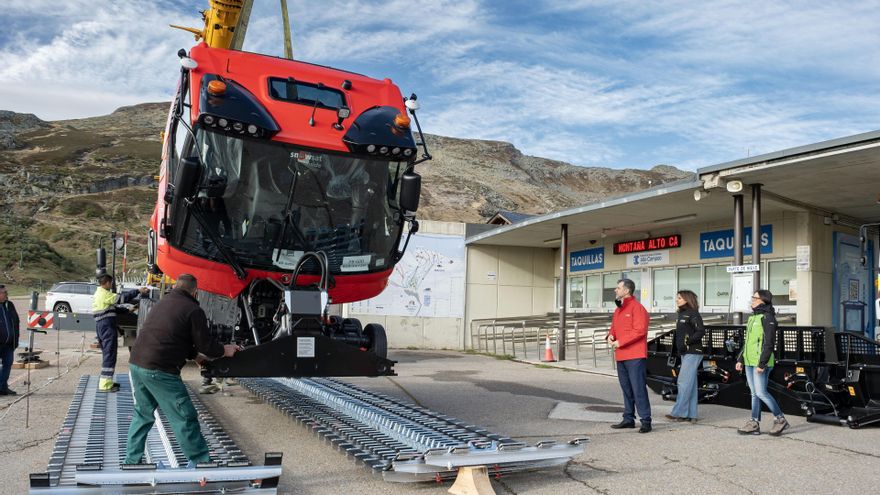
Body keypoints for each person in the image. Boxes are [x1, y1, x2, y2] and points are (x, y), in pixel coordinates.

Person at [125, 274, 239, 466]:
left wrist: (195, 357)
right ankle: (201, 462)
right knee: (184, 416)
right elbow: (207, 344)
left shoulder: (164, 302)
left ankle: (131, 461)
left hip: (137, 363)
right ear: (195, 291)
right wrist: (225, 350)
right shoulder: (193, 309)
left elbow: (175, 334)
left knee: (142, 414)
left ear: (177, 286)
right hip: (159, 369)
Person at [736, 289, 789, 436]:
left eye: (754, 298)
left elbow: (769, 343)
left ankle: (780, 419)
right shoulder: (754, 317)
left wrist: (762, 364)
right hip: (749, 361)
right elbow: (747, 342)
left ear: (763, 300)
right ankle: (754, 423)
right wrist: (740, 359)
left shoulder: (768, 318)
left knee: (761, 392)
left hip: (761, 362)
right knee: (754, 393)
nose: (751, 300)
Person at [607, 278, 652, 433]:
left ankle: (646, 421)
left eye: (618, 287)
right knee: (626, 388)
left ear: (626, 290)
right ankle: (628, 419)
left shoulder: (637, 308)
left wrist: (621, 342)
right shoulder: (618, 309)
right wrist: (610, 336)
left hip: (635, 356)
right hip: (621, 356)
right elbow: (614, 327)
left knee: (638, 389)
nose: (615, 290)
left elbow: (640, 331)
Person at [93, 274, 147, 392]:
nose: (112, 285)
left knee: (108, 354)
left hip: (103, 326)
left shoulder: (100, 294)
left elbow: (113, 308)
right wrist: (138, 290)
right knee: (110, 354)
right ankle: (105, 385)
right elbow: (121, 299)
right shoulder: (104, 294)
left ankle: (107, 381)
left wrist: (128, 309)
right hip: (106, 326)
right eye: (111, 283)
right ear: (107, 283)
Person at [665, 290, 705, 423]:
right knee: (690, 384)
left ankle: (679, 412)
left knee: (683, 382)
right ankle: (691, 414)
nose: (677, 300)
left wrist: (688, 342)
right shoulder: (682, 314)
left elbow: (701, 331)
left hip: (693, 352)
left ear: (687, 299)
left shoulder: (693, 314)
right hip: (685, 352)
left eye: (680, 298)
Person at [0, 285, 20, 396]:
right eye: (3, 292)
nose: (6, 294)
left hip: (9, 343)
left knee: (7, 363)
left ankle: (3, 387)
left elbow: (16, 321)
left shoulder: (9, 305)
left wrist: (16, 338)